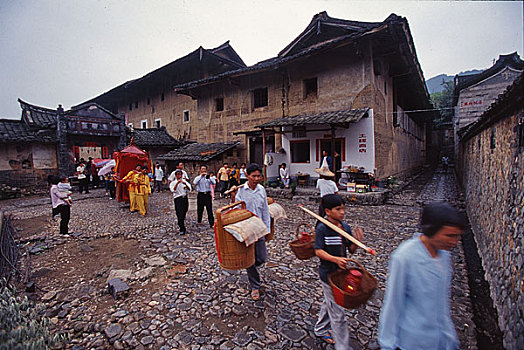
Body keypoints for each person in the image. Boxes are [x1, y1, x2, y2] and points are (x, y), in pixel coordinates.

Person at [378, 202, 466, 350]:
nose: (454, 241)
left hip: (440, 340)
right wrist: (387, 344)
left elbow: (442, 301)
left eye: (457, 236)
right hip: (412, 341)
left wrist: (449, 337)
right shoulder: (405, 257)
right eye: (449, 235)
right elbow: (393, 303)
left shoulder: (444, 256)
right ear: (431, 230)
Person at [313, 194, 365, 348]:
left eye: (343, 208)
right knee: (338, 314)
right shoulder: (322, 228)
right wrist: (335, 259)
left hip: (341, 275)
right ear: (328, 211)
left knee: (329, 302)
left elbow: (351, 249)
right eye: (338, 209)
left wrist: (357, 241)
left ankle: (321, 328)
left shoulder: (345, 228)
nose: (342, 212)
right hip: (328, 275)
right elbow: (318, 251)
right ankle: (342, 346)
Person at [233, 163, 271, 301]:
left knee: (261, 258)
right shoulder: (241, 191)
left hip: (259, 227)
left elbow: (265, 210)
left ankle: (251, 267)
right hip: (247, 228)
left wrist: (267, 228)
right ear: (247, 176)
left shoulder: (261, 190)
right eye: (253, 176)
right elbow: (236, 210)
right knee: (250, 259)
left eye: (258, 176)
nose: (256, 179)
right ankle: (255, 285)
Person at [170, 169, 192, 235]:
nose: (179, 176)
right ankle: (182, 228)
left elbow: (190, 189)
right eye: (178, 174)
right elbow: (173, 190)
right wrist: (177, 183)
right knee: (179, 213)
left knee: (184, 211)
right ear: (176, 175)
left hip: (184, 198)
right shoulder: (173, 183)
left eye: (180, 174)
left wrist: (185, 183)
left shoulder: (184, 181)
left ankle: (181, 221)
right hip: (178, 198)